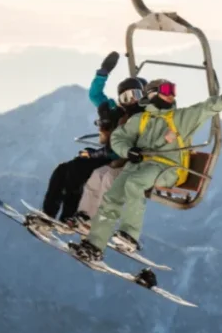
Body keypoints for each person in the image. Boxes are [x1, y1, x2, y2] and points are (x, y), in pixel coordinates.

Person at [70, 78, 222, 261]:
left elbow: (203, 109)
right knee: (113, 195)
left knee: (134, 184)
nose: (171, 94)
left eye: (173, 89)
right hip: (140, 165)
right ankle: (94, 245)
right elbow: (119, 138)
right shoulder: (141, 119)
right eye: (167, 89)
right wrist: (128, 150)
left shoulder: (180, 118)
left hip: (169, 168)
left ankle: (130, 235)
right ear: (151, 94)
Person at [36, 51, 144, 227]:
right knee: (61, 170)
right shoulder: (116, 110)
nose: (132, 100)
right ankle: (48, 214)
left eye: (137, 95)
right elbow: (95, 94)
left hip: (116, 160)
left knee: (76, 170)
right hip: (106, 156)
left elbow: (119, 150)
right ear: (120, 99)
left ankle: (68, 216)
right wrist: (103, 73)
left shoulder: (140, 118)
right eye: (127, 97)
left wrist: (94, 154)